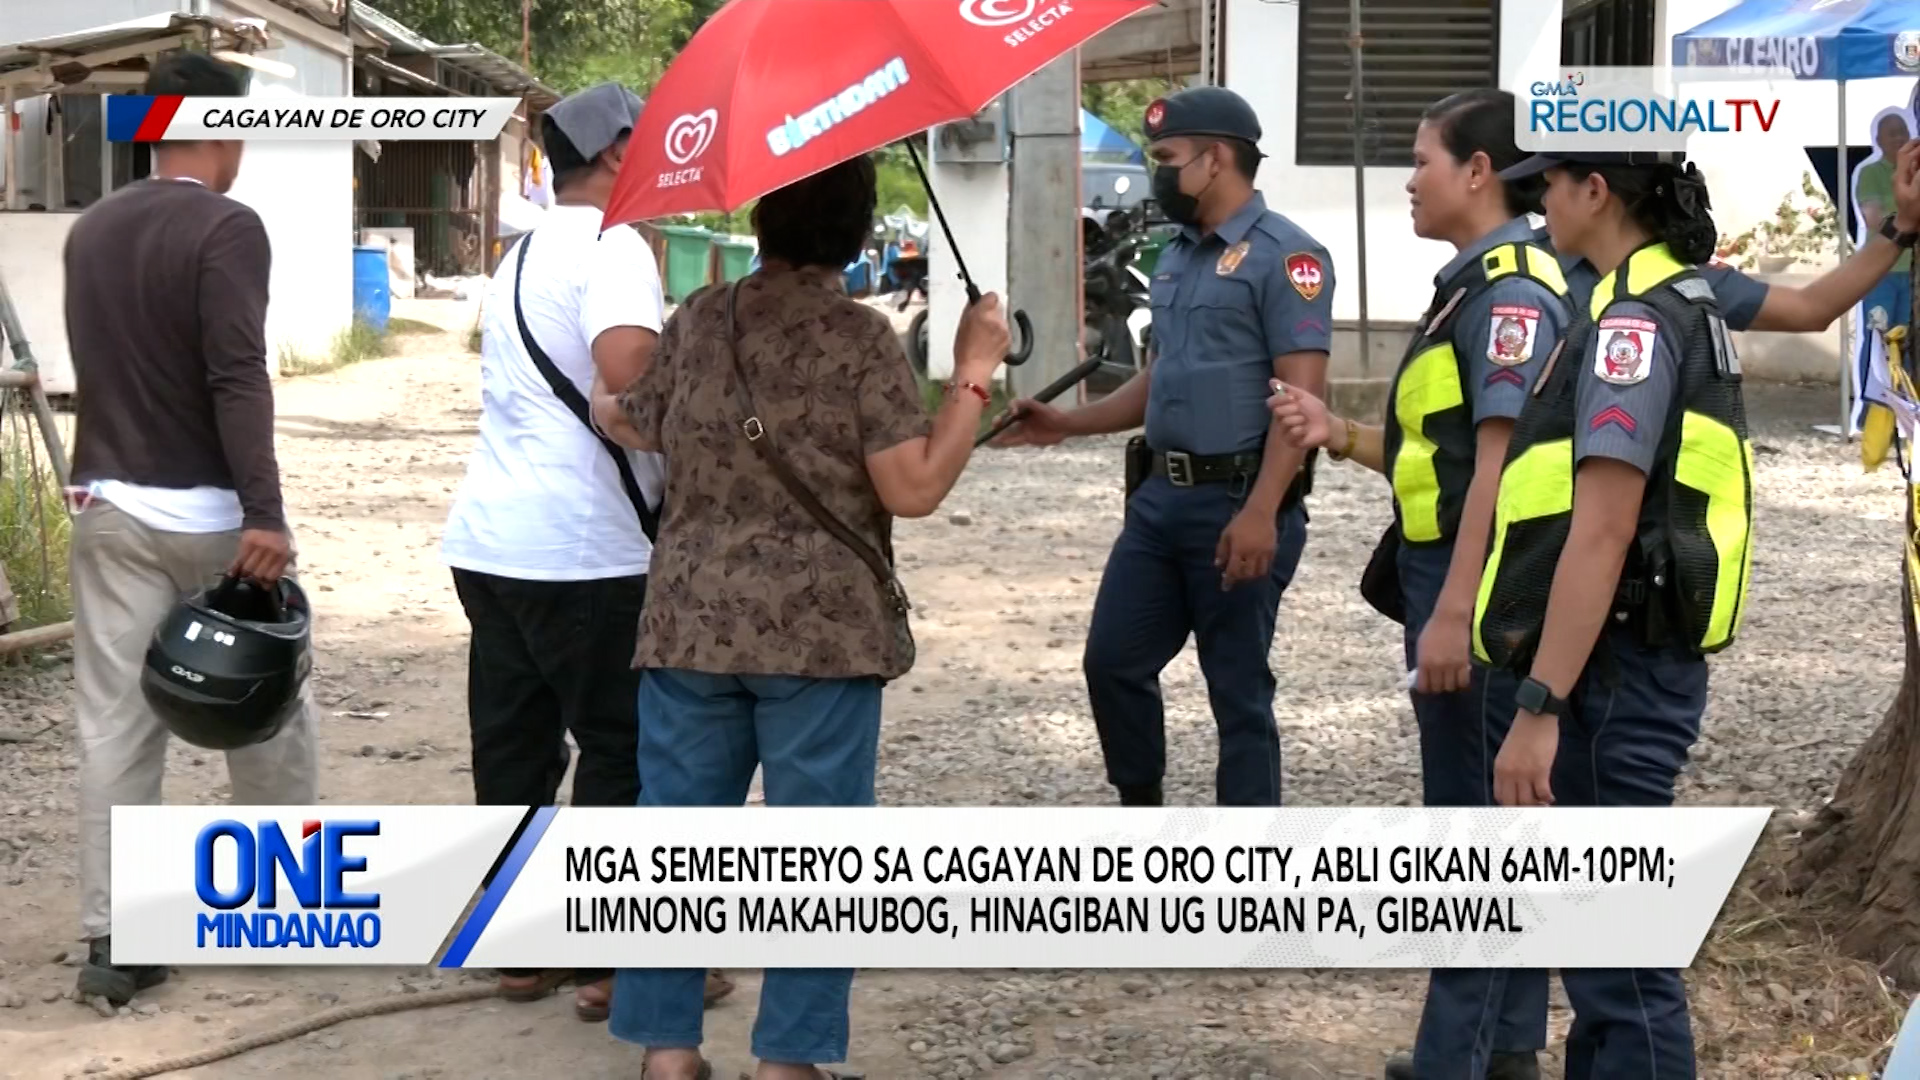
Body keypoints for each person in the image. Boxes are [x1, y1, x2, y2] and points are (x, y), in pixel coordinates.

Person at [592, 156, 1010, 1080]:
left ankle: (669, 1055)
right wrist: (974, 372)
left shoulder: (702, 317)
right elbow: (914, 488)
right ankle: (786, 1063)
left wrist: (607, 402)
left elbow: (635, 420)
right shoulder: (859, 338)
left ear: (768, 219)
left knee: (674, 844)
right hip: (820, 638)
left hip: (690, 625)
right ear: (858, 236)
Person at [1264, 88, 1566, 1080]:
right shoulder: (1470, 284)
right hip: (1457, 575)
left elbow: (1498, 463)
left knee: (1471, 837)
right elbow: (1435, 452)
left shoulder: (1513, 294)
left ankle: (1457, 1061)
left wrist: (1450, 611)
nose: (1408, 178)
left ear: (1479, 173)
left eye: (1423, 158)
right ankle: (1507, 1048)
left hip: (1473, 591)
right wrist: (1338, 434)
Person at [438, 82, 729, 1019]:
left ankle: (523, 950)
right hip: (587, 551)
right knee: (623, 749)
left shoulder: (521, 253)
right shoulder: (614, 247)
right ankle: (618, 962)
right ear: (613, 158)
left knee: (515, 749)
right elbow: (633, 391)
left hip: (491, 542)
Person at [1473, 146, 1747, 1079]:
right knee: (1604, 959)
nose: (1538, 198)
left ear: (1597, 192)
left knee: (1620, 967)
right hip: (1637, 662)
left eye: (1550, 182)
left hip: (1610, 676)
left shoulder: (1633, 322)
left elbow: (1603, 529)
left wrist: (1539, 706)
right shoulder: (1684, 300)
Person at [992, 86, 1333, 808]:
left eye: (1166, 159)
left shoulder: (1288, 257)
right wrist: (1065, 423)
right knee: (1112, 662)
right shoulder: (1176, 257)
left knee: (1237, 693)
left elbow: (1301, 409)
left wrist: (1264, 512)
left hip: (1238, 501)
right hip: (1159, 504)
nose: (1157, 173)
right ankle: (1143, 819)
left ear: (1215, 161)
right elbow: (1162, 379)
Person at [61, 52, 316, 1005]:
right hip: (214, 519)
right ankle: (279, 917)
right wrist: (266, 511)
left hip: (110, 508)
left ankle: (116, 939)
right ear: (219, 127)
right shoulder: (227, 227)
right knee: (266, 712)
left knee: (115, 723)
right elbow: (234, 374)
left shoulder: (90, 231)